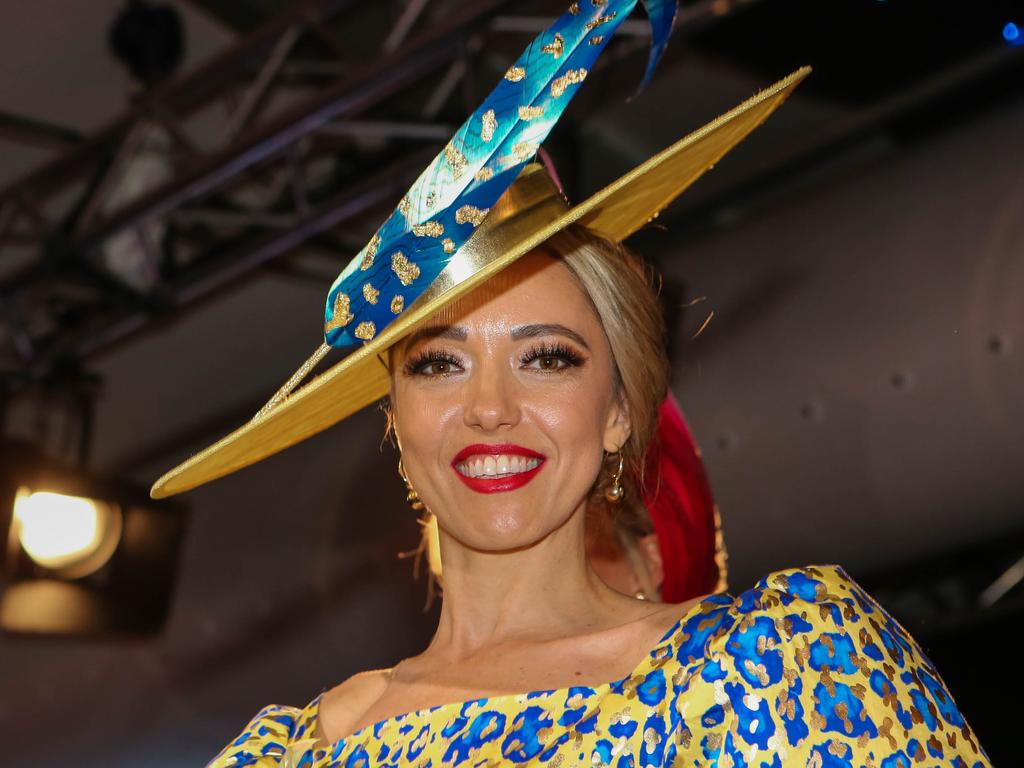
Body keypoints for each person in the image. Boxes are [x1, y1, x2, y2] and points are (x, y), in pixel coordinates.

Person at [151, 2, 991, 766]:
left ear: (622, 411)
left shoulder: (775, 668)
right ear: (397, 421)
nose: (489, 408)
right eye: (439, 363)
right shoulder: (287, 754)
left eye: (547, 357)